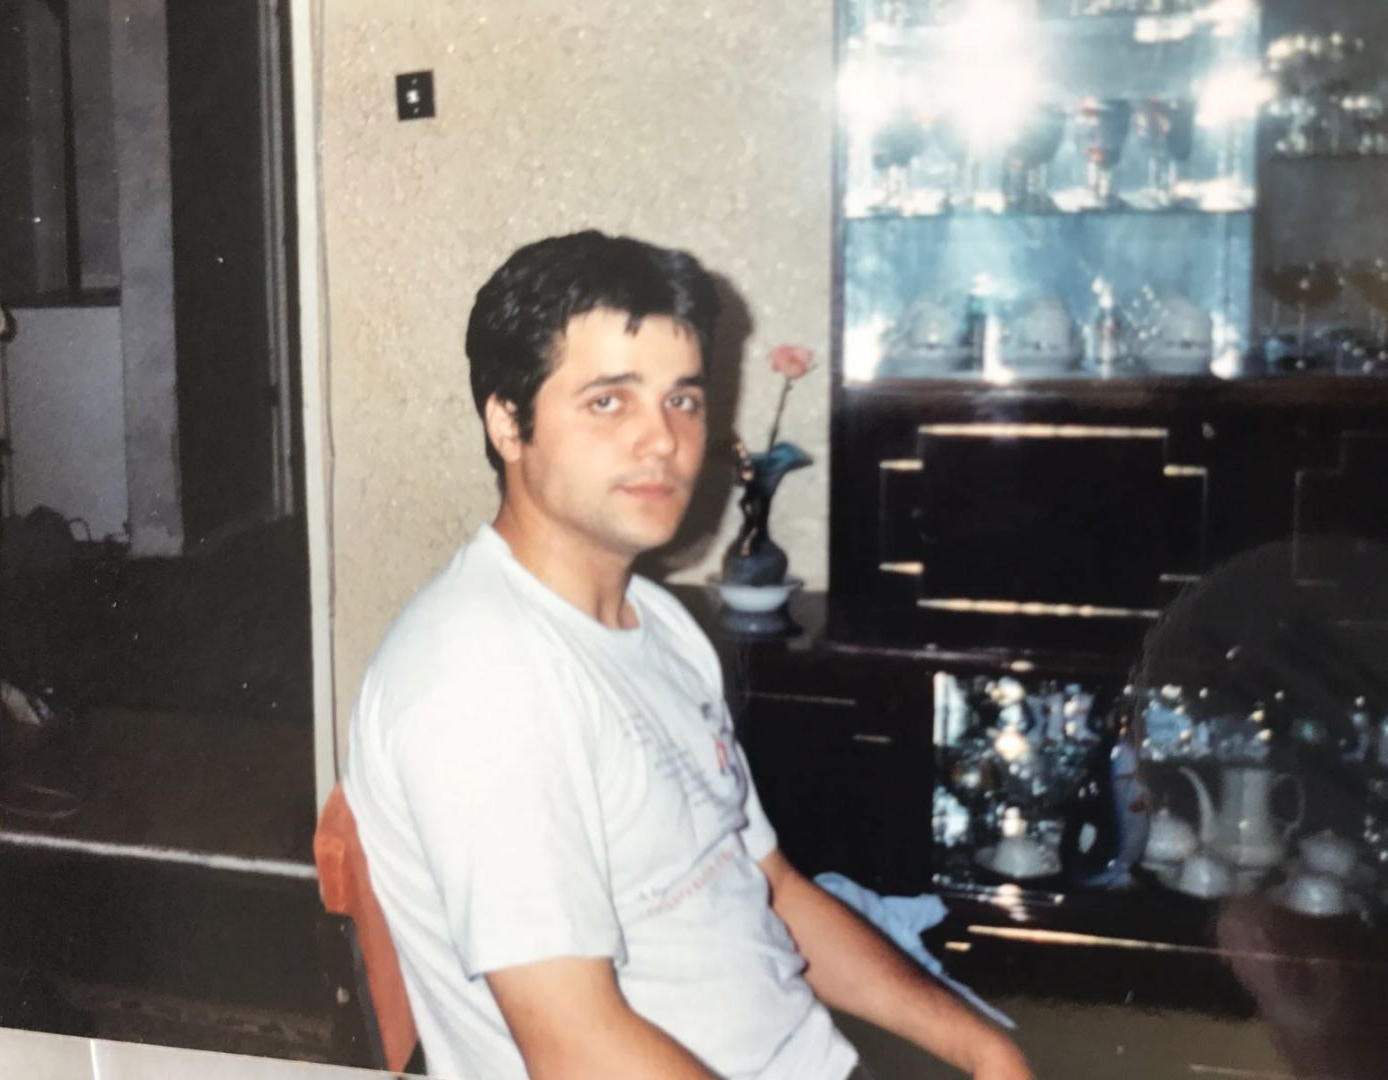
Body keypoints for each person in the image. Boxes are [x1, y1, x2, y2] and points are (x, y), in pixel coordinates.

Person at [344, 230, 1033, 1080]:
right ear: (507, 422)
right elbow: (574, 1047)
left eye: (682, 399)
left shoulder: (660, 622)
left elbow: (770, 888)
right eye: (609, 401)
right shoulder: (481, 682)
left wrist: (982, 1047)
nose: (662, 440)